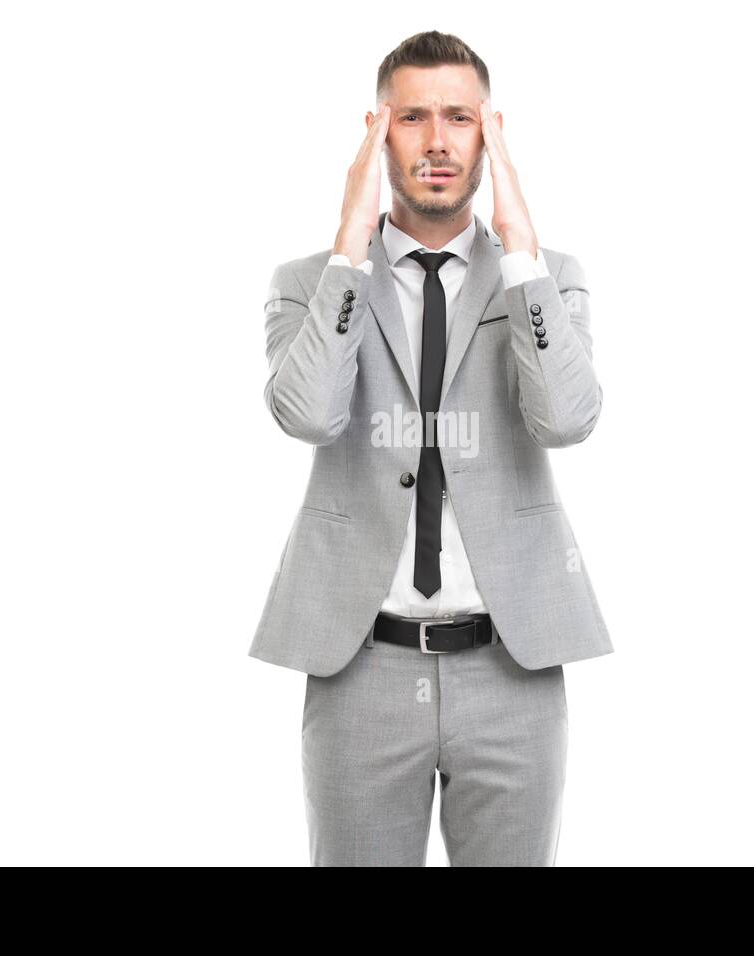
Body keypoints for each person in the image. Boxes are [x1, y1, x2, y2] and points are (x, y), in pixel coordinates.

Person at [250, 30, 613, 866]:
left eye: (460, 117)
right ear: (377, 132)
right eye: (413, 117)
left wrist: (520, 255)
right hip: (360, 669)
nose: (439, 140)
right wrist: (349, 247)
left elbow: (568, 418)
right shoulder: (307, 282)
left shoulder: (548, 279)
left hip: (512, 668)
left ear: (492, 133)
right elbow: (307, 413)